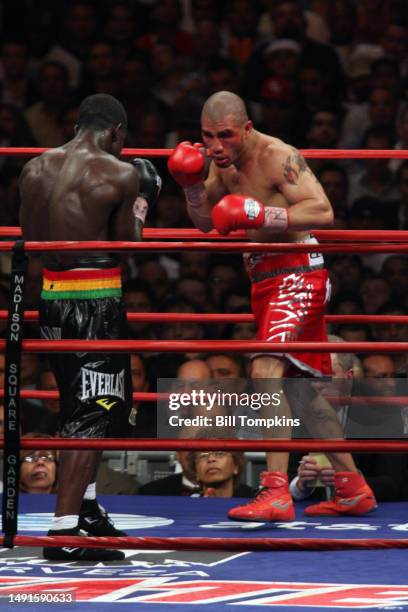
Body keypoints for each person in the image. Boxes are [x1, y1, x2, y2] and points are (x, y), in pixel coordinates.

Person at [168, 90, 376, 522]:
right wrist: (190, 187)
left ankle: (275, 492)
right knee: (301, 395)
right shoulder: (219, 160)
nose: (216, 146)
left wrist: (262, 215)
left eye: (225, 135)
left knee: (264, 369)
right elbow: (208, 222)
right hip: (263, 277)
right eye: (208, 137)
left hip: (298, 270)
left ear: (246, 127)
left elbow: (322, 211)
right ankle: (354, 488)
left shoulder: (277, 154)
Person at [19, 93, 161, 560]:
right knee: (94, 410)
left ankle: (87, 510)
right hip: (95, 299)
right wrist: (142, 198)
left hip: (52, 299)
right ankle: (63, 534)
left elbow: (29, 239)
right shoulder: (118, 172)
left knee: (79, 406)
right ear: (117, 132)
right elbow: (131, 249)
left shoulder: (35, 168)